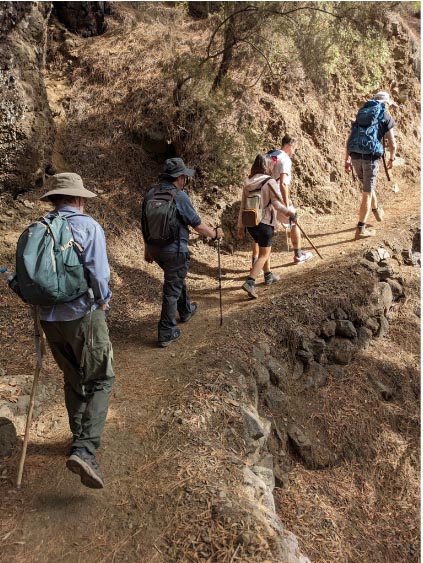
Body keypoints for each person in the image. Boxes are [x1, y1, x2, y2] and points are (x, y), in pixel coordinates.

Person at [38, 172, 114, 489]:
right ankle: (85, 448)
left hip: (48, 319)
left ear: (55, 199)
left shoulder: (39, 229)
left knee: (73, 377)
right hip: (82, 314)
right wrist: (103, 300)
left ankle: (78, 437)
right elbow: (98, 272)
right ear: (79, 198)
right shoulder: (87, 226)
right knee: (100, 377)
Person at [142, 158, 223, 348]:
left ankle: (185, 309)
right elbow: (197, 224)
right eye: (185, 176)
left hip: (156, 249)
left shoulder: (150, 194)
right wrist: (215, 234)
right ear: (179, 177)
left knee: (175, 278)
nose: (186, 179)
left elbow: (144, 224)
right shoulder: (179, 196)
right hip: (174, 250)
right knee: (171, 289)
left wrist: (147, 249)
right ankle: (166, 332)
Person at [237, 153, 295, 299]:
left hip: (251, 223)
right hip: (265, 223)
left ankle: (268, 275)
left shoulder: (248, 182)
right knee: (264, 254)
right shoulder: (269, 181)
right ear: (267, 166)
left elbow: (242, 206)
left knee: (263, 248)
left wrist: (240, 226)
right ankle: (250, 282)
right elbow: (277, 203)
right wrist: (290, 213)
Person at [345, 90, 397, 239]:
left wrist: (347, 159)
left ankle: (376, 209)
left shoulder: (362, 112)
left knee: (368, 185)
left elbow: (349, 138)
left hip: (355, 155)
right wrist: (392, 158)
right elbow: (392, 143)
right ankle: (361, 228)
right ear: (386, 103)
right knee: (367, 192)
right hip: (371, 157)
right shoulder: (385, 115)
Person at [272, 135, 313, 264]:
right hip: (278, 197)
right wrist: (286, 203)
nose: (295, 150)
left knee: (264, 230)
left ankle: (257, 264)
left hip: (264, 197)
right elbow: (283, 183)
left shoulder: (270, 155)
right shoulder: (285, 159)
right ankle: (298, 255)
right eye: (295, 147)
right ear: (290, 145)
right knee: (294, 222)